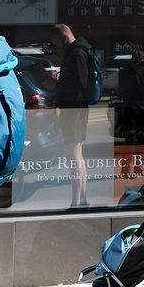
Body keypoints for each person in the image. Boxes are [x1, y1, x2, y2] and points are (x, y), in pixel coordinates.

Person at [50, 23, 94, 208]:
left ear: (64, 38)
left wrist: (57, 83)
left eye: (57, 43)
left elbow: (79, 83)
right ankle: (80, 199)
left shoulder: (76, 54)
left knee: (73, 156)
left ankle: (76, 201)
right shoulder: (80, 51)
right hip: (76, 111)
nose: (57, 47)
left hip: (74, 111)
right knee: (76, 156)